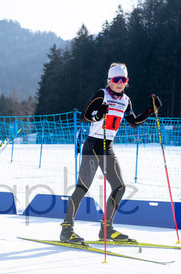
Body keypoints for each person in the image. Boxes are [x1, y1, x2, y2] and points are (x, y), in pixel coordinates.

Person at [60, 63, 162, 244]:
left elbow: (133, 123)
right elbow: (84, 117)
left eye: (124, 80)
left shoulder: (126, 100)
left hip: (107, 147)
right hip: (93, 145)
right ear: (109, 80)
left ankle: (106, 229)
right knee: (83, 187)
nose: (120, 83)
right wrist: (97, 115)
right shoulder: (102, 95)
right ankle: (66, 230)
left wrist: (150, 111)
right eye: (116, 79)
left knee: (119, 187)